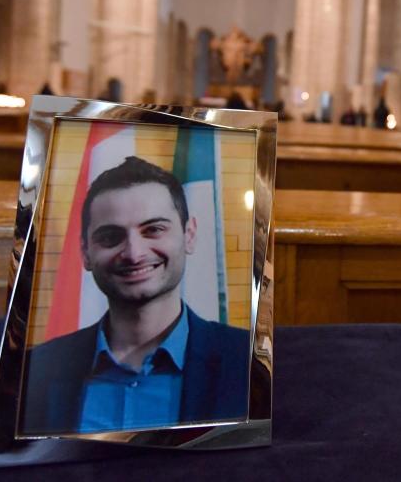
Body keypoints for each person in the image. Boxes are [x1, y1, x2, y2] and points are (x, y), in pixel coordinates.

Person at [21, 157, 249, 435]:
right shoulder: (35, 368)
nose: (133, 253)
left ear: (189, 235)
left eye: (153, 229)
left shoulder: (248, 362)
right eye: (110, 237)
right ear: (85, 252)